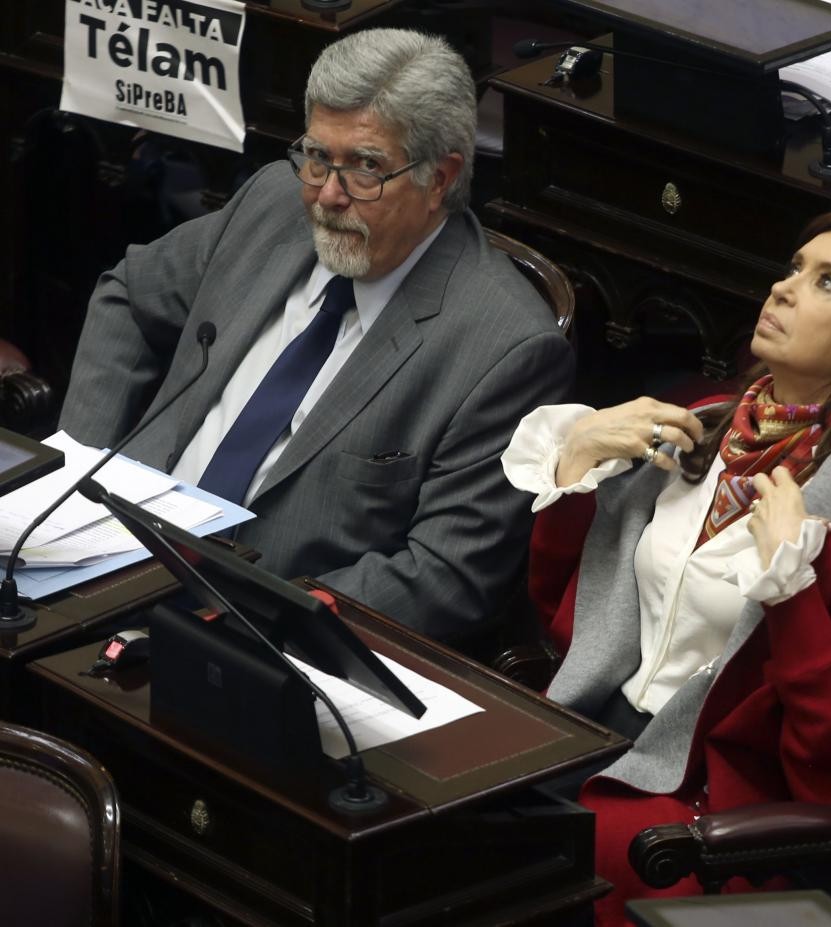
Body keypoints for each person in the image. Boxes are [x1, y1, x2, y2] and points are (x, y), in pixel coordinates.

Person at [502, 211, 831, 923]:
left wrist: (792, 584)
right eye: (794, 266)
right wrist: (578, 460)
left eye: (826, 283)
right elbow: (564, 608)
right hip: (587, 730)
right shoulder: (703, 421)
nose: (783, 289)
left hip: (697, 801)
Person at [59, 29, 573, 640]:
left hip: (255, 638)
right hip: (100, 561)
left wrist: (252, 617)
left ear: (439, 179)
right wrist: (75, 480)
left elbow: (445, 577)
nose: (327, 195)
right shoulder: (273, 204)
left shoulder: (505, 348)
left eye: (365, 168)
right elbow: (128, 297)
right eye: (317, 156)